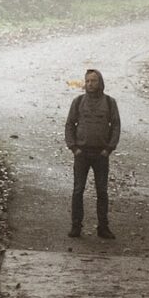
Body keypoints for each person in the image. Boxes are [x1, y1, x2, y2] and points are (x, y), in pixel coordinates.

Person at [64, 65, 121, 239]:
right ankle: (76, 227)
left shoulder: (110, 102)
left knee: (102, 191)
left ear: (100, 82)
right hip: (82, 154)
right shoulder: (78, 102)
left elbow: (116, 126)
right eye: (87, 81)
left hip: (101, 155)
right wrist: (74, 147)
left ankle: (103, 227)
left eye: (93, 81)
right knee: (78, 190)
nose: (90, 84)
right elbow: (69, 125)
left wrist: (109, 148)